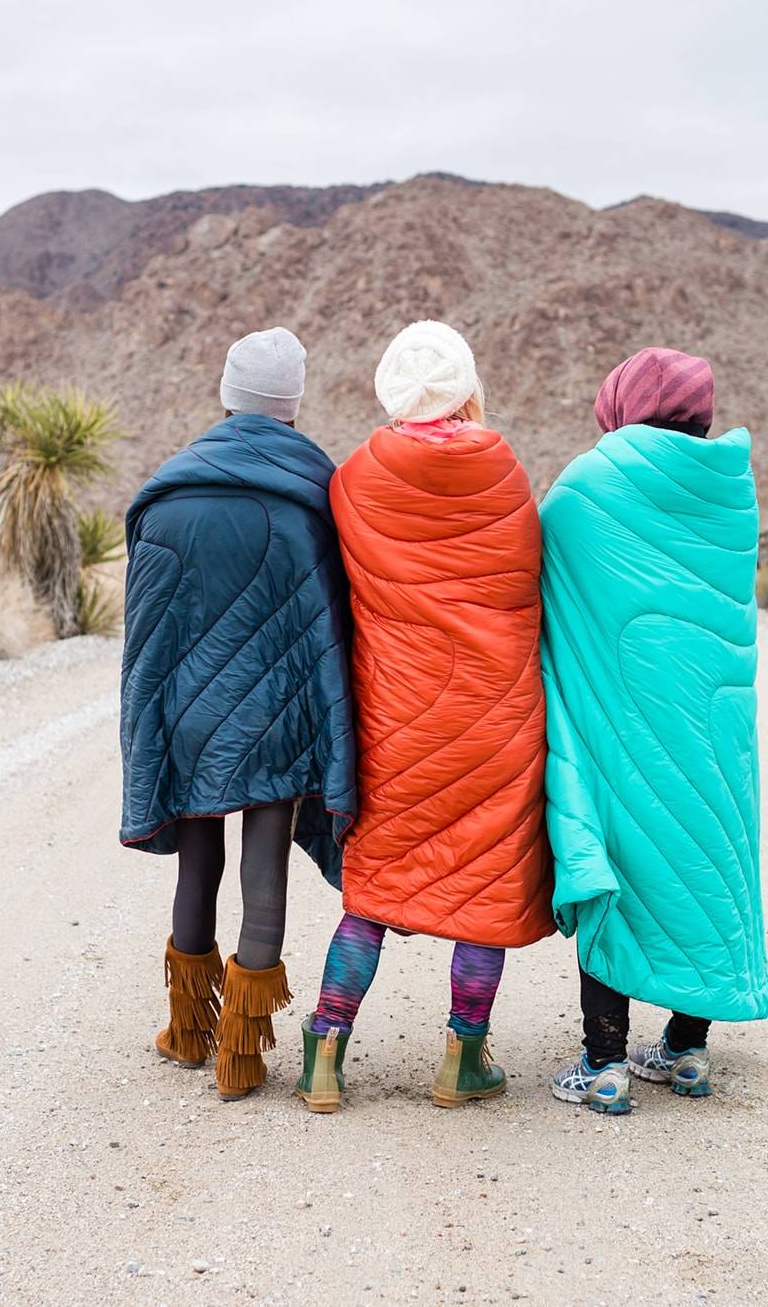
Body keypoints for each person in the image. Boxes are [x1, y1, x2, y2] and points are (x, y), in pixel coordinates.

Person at [293, 320, 555, 1114]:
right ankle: (460, 1060)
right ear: (467, 387)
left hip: (393, 719)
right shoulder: (503, 471)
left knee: (373, 892)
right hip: (495, 720)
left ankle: (325, 1056)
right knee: (481, 889)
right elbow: (525, 579)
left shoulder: (358, 479)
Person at [118, 326, 357, 1101]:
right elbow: (333, 617)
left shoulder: (168, 494)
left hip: (189, 711)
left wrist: (152, 716)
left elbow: (148, 631)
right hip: (278, 714)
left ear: (227, 394)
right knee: (264, 868)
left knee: (200, 862)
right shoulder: (315, 495)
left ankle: (188, 1031)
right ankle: (242, 1056)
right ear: (291, 405)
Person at [537, 347, 768, 1115]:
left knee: (621, 866)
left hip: (621, 724)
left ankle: (604, 1063)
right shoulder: (731, 491)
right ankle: (686, 1050)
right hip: (719, 727)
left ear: (622, 402)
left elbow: (537, 572)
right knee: (704, 866)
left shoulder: (590, 484)